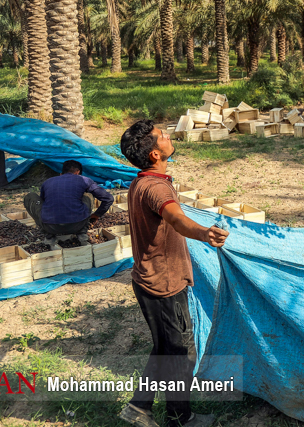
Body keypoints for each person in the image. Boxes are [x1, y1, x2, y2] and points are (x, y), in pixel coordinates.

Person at [118, 119, 228, 427]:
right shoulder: (155, 187)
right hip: (163, 284)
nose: (167, 135)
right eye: (161, 136)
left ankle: (139, 407)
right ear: (155, 154)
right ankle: (181, 418)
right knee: (180, 352)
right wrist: (205, 233)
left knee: (165, 347)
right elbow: (177, 219)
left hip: (147, 278)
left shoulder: (141, 181)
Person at [23, 160, 114, 250]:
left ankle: (49, 236)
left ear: (61, 173)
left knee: (30, 196)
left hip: (50, 226)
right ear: (78, 172)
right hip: (78, 224)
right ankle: (82, 233)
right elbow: (108, 198)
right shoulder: (84, 180)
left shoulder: (47, 182)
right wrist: (96, 215)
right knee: (88, 195)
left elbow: (44, 202)